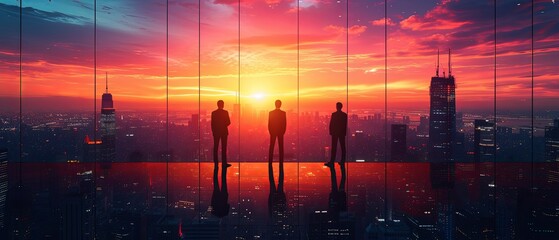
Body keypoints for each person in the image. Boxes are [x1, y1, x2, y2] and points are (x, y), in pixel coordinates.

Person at [268, 100, 286, 192]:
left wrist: (271, 132)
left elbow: (269, 124)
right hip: (279, 132)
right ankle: (281, 162)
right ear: (280, 105)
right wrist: (282, 132)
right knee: (281, 148)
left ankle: (270, 161)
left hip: (274, 132)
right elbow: (284, 124)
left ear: (275, 104)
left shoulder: (271, 113)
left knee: (271, 147)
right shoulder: (283, 113)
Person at [325, 102, 347, 167]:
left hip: (335, 133)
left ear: (337, 107)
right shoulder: (344, 115)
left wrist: (331, 132)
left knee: (334, 147)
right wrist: (344, 133)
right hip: (341, 133)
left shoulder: (334, 114)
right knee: (342, 147)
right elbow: (344, 125)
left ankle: (332, 162)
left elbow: (331, 124)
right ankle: (342, 161)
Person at [211, 100, 231, 168]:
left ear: (217, 105)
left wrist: (214, 132)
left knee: (216, 148)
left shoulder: (214, 113)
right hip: (224, 132)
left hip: (216, 132)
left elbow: (212, 124)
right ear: (222, 105)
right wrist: (223, 125)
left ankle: (216, 163)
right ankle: (224, 163)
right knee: (224, 148)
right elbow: (228, 122)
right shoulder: (225, 112)